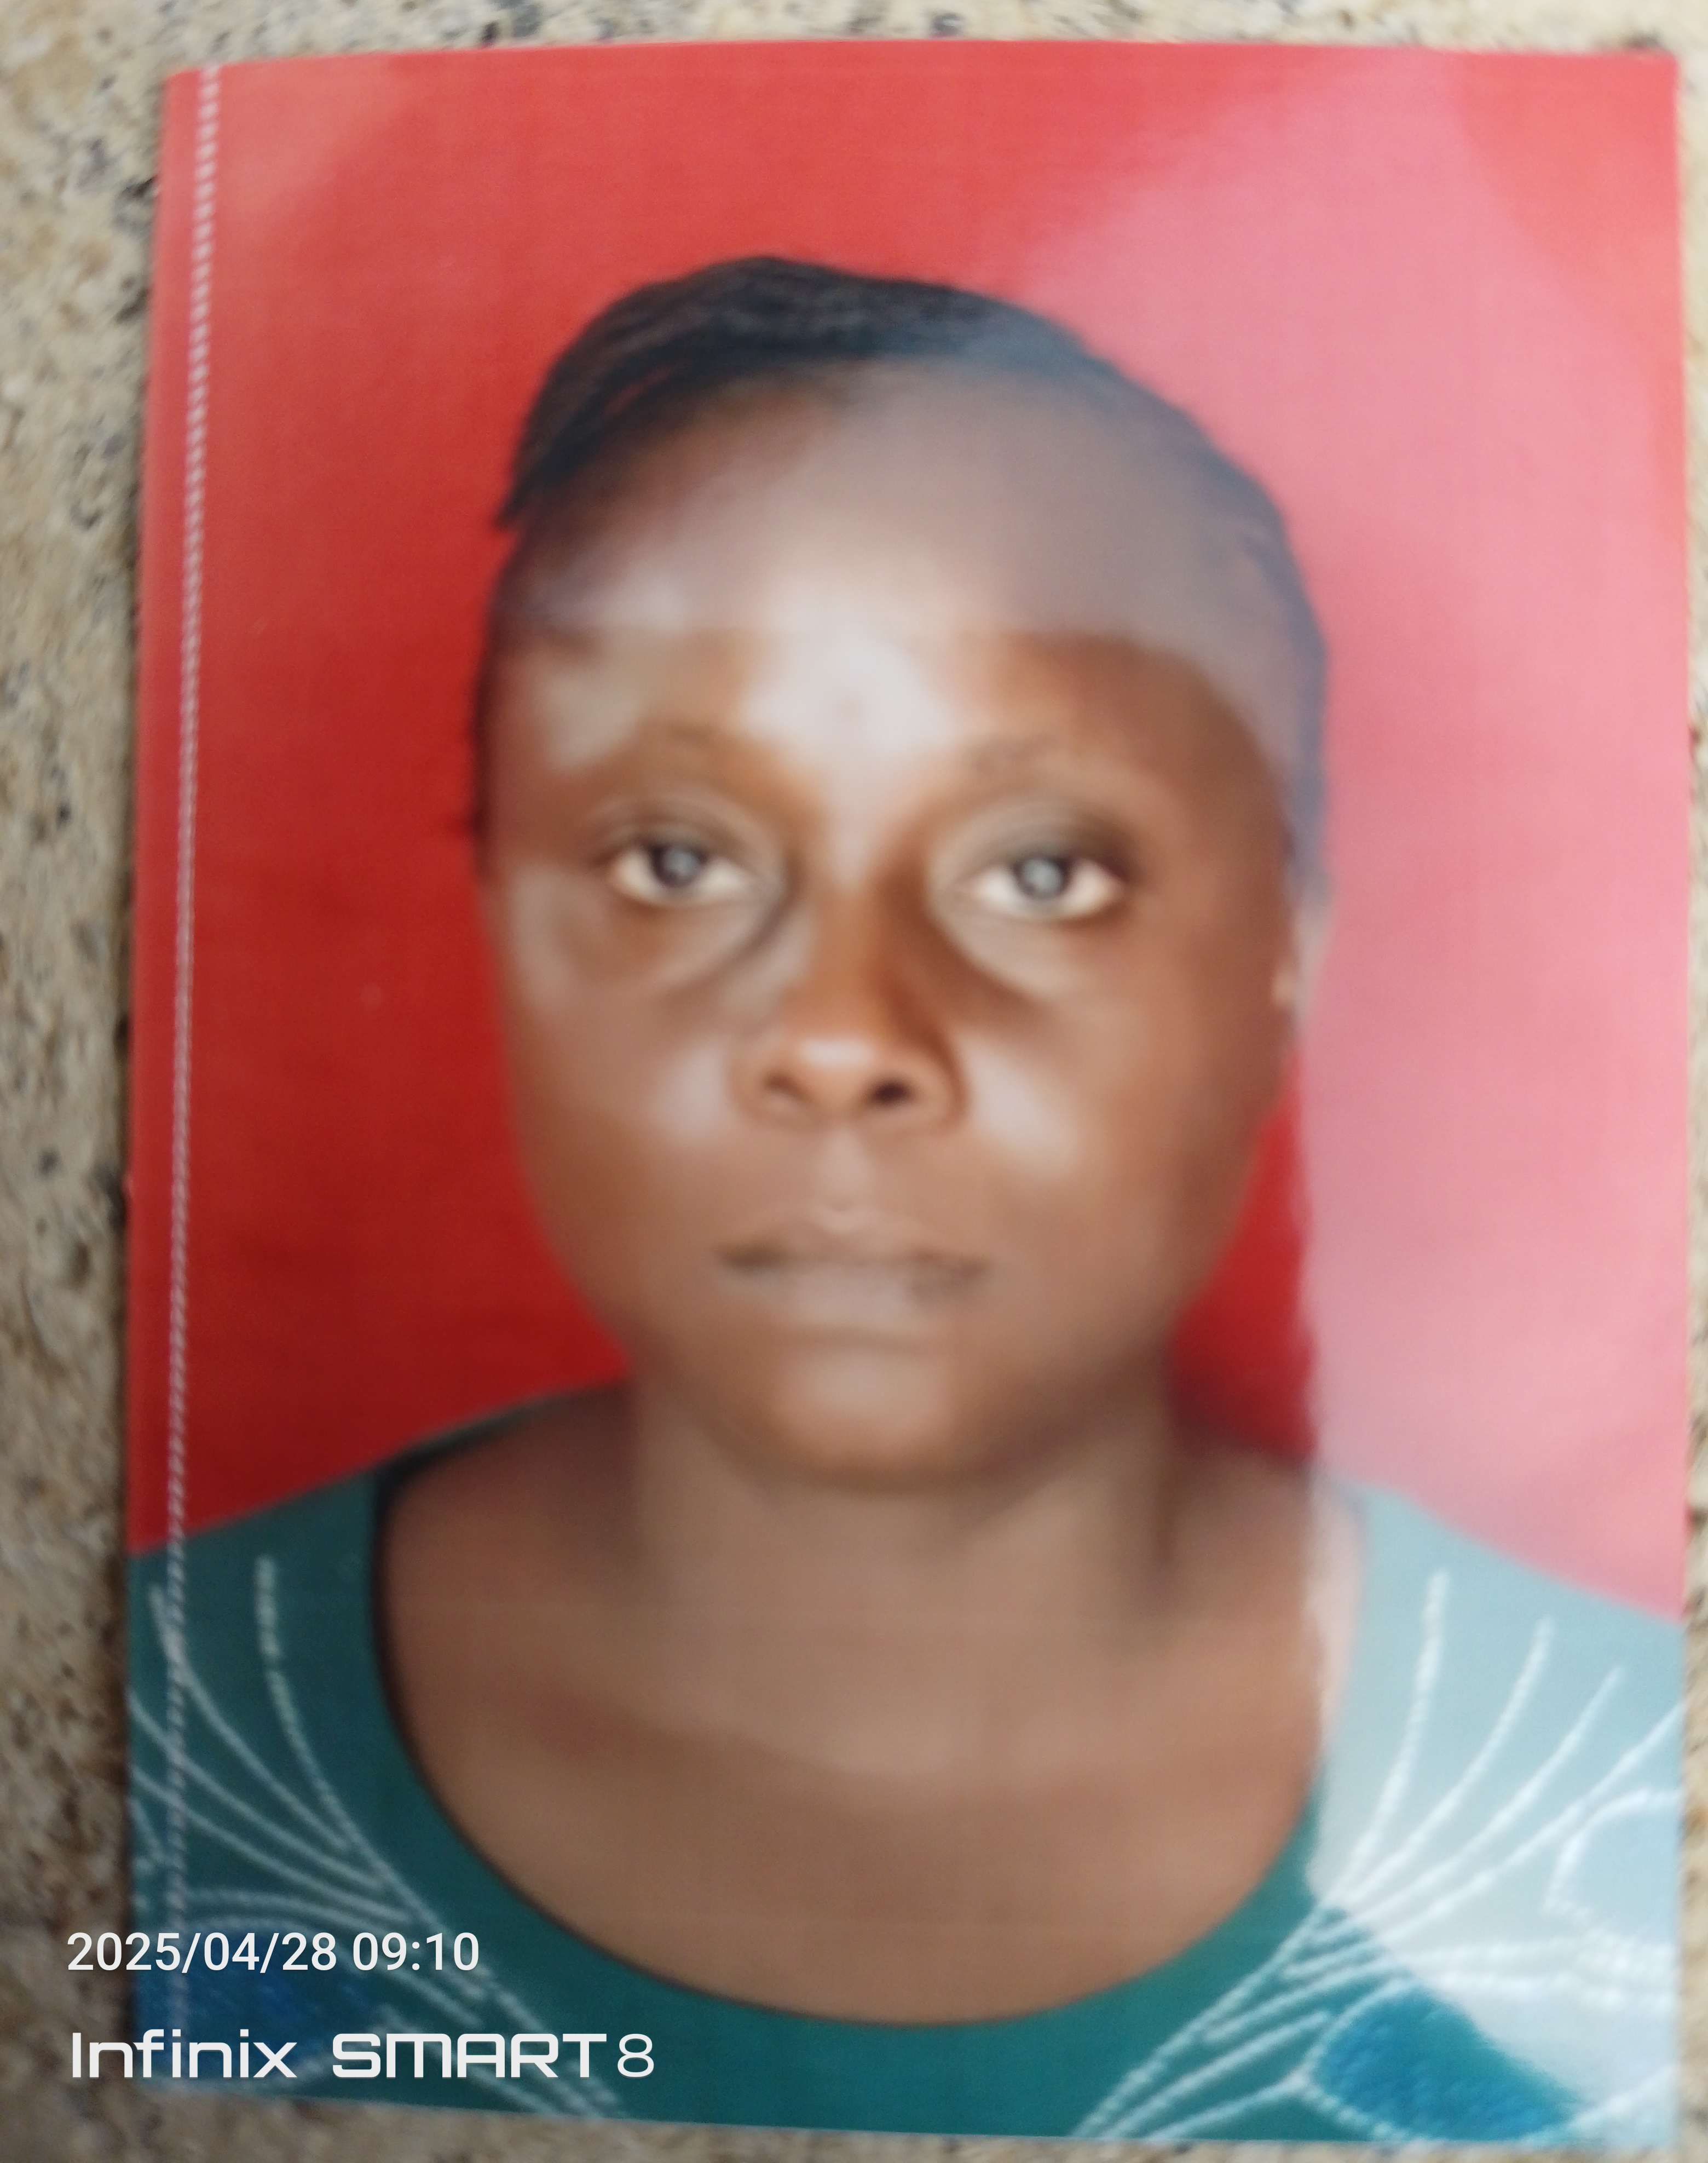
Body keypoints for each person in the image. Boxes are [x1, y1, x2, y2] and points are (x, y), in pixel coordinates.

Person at [130, 259, 1680, 2141]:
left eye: (1043, 873)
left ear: (1287, 956)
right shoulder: (129, 1727)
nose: (844, 1038)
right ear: (500, 922)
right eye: (678, 858)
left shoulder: (1635, 1801)